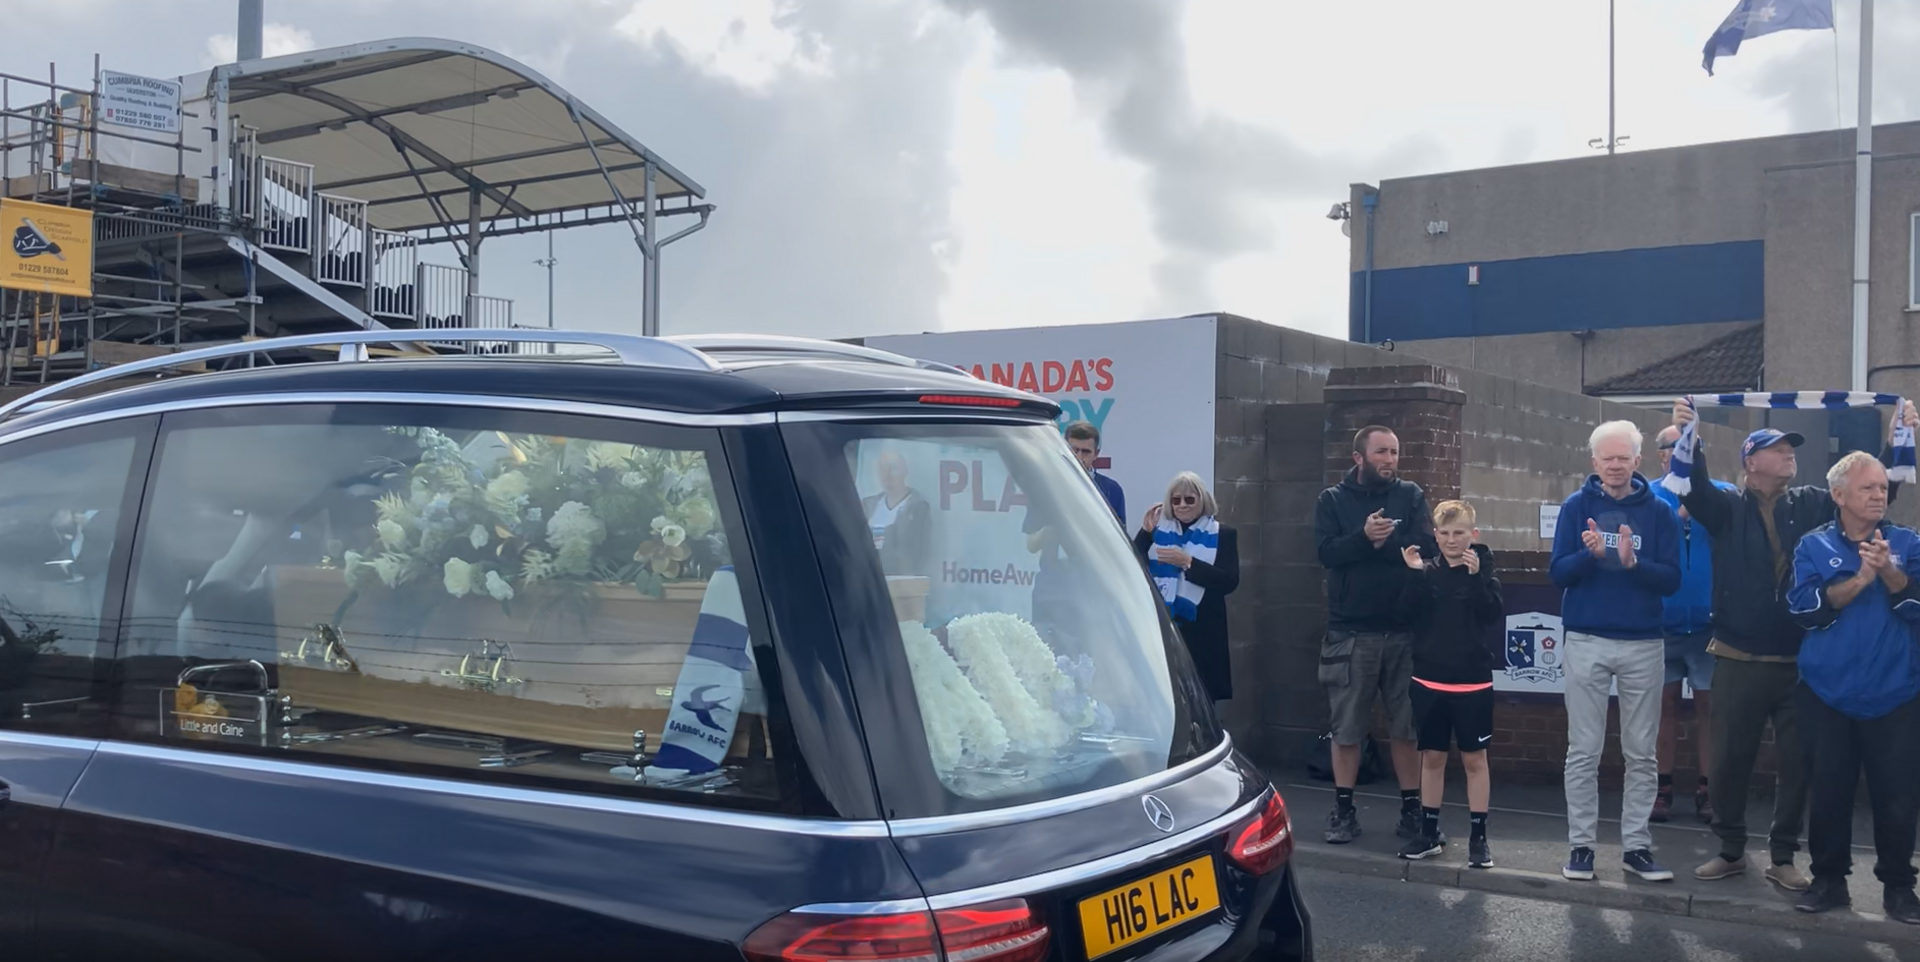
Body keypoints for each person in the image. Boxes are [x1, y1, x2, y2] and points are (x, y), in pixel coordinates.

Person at [1674, 398, 1917, 891]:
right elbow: (1694, 489)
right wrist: (1688, 436)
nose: (1789, 454)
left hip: (1800, 662)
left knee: (1800, 768)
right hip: (1739, 657)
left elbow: (1871, 490)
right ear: (1750, 461)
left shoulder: (1810, 501)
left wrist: (1898, 441)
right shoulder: (1726, 506)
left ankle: (1783, 856)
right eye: (1777, 448)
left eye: (1791, 447)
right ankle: (1731, 849)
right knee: (1728, 763)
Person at [1786, 452, 1920, 923]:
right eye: (1868, 488)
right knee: (1829, 791)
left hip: (1895, 694)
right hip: (1827, 693)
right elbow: (1804, 610)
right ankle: (1828, 881)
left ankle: (1900, 888)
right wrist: (1861, 578)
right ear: (1839, 495)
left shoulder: (1908, 541)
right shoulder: (1812, 546)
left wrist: (1888, 572)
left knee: (1898, 794)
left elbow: (1916, 604)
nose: (1879, 495)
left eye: (1882, 487)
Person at [1550, 420, 1682, 883]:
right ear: (1594, 462)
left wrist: (1633, 564)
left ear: (1637, 462)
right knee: (1583, 750)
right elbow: (1559, 574)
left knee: (1641, 753)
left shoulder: (1661, 512)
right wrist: (1590, 555)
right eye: (1607, 458)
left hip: (1643, 642)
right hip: (1586, 639)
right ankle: (1581, 847)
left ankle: (1637, 847)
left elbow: (1670, 579)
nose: (1615, 465)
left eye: (1623, 457)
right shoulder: (1575, 506)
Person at [1314, 425, 1435, 845]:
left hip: (1404, 632)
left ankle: (1412, 810)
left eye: (1395, 452)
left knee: (1407, 728)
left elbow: (1426, 546)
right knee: (1346, 729)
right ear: (1359, 458)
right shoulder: (1333, 500)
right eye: (1381, 451)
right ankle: (1343, 810)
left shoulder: (1410, 495)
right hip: (1351, 633)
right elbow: (1326, 553)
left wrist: (1386, 542)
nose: (1390, 459)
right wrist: (1363, 539)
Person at [1393, 500, 1502, 870]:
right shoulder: (1425, 572)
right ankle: (1429, 833)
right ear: (1435, 536)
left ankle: (1479, 838)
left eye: (1460, 533)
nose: (1452, 540)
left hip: (1472, 683)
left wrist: (1475, 580)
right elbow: (1406, 614)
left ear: (1474, 535)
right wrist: (1411, 574)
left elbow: (1490, 614)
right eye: (1445, 533)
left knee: (1475, 760)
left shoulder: (1484, 571)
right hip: (1428, 680)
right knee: (1433, 757)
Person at [1649, 425, 1733, 825]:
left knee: (1709, 710)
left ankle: (1709, 790)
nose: (1679, 454)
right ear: (1660, 455)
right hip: (1659, 626)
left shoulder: (1722, 492)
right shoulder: (1645, 495)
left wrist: (1697, 503)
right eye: (1672, 447)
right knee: (1662, 709)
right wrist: (1678, 512)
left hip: (1708, 627)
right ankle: (1661, 789)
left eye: (1689, 447)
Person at [1134, 472, 1239, 703]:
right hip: (1167, 628)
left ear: (1202, 501)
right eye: (1176, 500)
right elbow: (1133, 565)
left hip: (1204, 632)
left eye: (1189, 499)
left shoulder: (1223, 534)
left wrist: (1188, 563)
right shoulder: (1159, 533)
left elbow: (1229, 581)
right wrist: (1145, 532)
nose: (1182, 505)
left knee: (1202, 702)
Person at [861, 450, 932, 577]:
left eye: (893, 468)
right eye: (882, 469)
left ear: (905, 471)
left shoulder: (918, 508)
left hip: (900, 584)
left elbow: (914, 556)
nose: (887, 474)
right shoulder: (867, 506)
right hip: (867, 580)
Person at [1063, 420, 1125, 523]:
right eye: (1074, 450)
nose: (1079, 457)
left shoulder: (1112, 490)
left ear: (1096, 454)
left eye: (1086, 452)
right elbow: (1032, 530)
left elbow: (1118, 536)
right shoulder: (1049, 484)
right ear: (1064, 449)